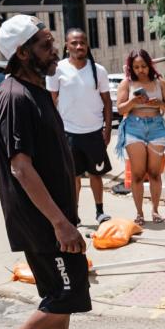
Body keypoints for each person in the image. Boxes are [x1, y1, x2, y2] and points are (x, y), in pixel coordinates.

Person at [0, 15, 108, 329]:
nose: (56, 51)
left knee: (58, 290)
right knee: (69, 293)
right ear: (22, 52)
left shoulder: (31, 90)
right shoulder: (16, 96)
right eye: (47, 45)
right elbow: (21, 166)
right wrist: (60, 223)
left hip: (53, 214)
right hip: (42, 219)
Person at [46, 27, 113, 224]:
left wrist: (107, 129)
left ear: (87, 45)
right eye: (74, 43)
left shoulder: (98, 70)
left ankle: (100, 211)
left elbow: (107, 102)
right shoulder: (57, 70)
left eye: (82, 42)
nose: (79, 46)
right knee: (72, 177)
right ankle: (73, 214)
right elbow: (51, 102)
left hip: (93, 132)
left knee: (96, 174)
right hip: (69, 133)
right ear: (67, 46)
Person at [114, 49, 165, 225]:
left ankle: (155, 210)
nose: (140, 70)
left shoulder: (159, 83)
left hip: (156, 127)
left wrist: (159, 103)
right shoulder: (127, 83)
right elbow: (120, 109)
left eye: (143, 66)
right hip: (134, 128)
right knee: (138, 174)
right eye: (136, 67)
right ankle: (139, 213)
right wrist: (133, 102)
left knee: (155, 173)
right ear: (131, 67)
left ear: (149, 65)